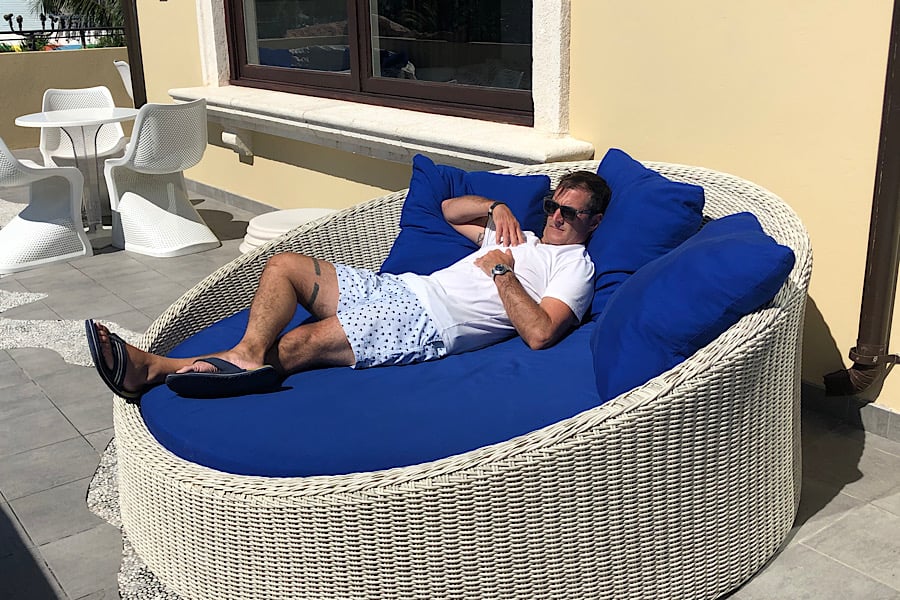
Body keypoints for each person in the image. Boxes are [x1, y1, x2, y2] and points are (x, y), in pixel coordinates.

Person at [85, 170, 611, 400]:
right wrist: (496, 208)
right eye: (553, 205)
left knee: (300, 342)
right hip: (401, 289)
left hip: (430, 321)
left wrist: (500, 271)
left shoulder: (575, 267)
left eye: (570, 212)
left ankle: (151, 370)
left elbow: (540, 332)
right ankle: (245, 356)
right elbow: (450, 211)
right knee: (284, 265)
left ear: (594, 221)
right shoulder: (518, 234)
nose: (556, 217)